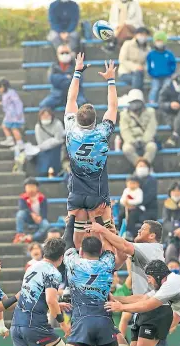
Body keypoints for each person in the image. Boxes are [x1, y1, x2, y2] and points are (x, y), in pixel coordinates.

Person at [87, 220, 174, 346]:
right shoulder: (141, 249)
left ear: (152, 236)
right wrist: (108, 233)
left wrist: (101, 229)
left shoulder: (151, 249)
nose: (138, 229)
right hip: (142, 305)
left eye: (143, 229)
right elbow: (121, 252)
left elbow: (124, 246)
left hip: (155, 308)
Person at [63, 215, 132, 346]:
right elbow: (110, 245)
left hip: (82, 322)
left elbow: (68, 241)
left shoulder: (74, 263)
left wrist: (72, 220)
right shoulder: (107, 263)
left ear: (81, 251)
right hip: (104, 321)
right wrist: (100, 223)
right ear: (100, 251)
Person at [10, 238, 83, 346]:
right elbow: (50, 299)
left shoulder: (32, 267)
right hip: (35, 325)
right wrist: (64, 324)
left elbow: (37, 294)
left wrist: (57, 304)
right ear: (61, 258)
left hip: (17, 325)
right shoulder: (53, 272)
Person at [64, 55, 117, 248]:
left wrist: (77, 72)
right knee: (108, 233)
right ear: (96, 121)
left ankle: (79, 263)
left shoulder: (71, 128)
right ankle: (107, 267)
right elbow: (113, 106)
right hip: (98, 192)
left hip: (76, 191)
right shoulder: (102, 133)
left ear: (77, 118)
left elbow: (71, 98)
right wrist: (110, 79)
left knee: (77, 237)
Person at [40, 45, 86, 111]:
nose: (64, 55)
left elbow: (79, 80)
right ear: (57, 54)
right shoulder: (53, 66)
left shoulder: (77, 65)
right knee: (43, 105)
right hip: (57, 95)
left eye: (67, 52)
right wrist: (68, 78)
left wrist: (61, 79)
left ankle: (78, 121)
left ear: (71, 53)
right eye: (62, 53)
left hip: (75, 95)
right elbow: (52, 80)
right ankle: (51, 121)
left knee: (83, 105)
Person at [120, 89, 157, 166]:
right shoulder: (124, 114)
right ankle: (139, 165)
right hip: (132, 140)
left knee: (152, 147)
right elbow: (125, 130)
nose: (135, 104)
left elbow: (151, 128)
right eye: (133, 102)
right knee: (127, 149)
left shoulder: (150, 112)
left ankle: (145, 165)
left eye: (137, 102)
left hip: (146, 140)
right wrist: (133, 141)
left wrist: (144, 140)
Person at [26, 107, 65, 176]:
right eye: (43, 116)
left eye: (47, 115)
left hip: (57, 146)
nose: (45, 117)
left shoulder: (57, 124)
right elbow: (40, 142)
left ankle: (56, 171)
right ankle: (42, 172)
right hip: (44, 147)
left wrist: (49, 143)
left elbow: (58, 139)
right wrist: (47, 144)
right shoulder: (38, 126)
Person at [13, 177, 50, 244]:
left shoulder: (42, 198)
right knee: (20, 214)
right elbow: (23, 208)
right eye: (28, 187)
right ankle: (20, 234)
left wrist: (40, 217)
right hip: (28, 218)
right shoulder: (23, 198)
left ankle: (31, 238)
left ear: (37, 188)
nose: (30, 189)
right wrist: (32, 214)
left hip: (40, 219)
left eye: (32, 187)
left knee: (46, 224)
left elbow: (44, 211)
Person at [146, 31, 176, 104]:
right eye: (157, 41)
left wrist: (171, 72)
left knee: (167, 88)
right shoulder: (151, 54)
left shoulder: (169, 54)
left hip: (167, 76)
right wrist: (151, 73)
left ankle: (165, 101)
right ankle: (151, 102)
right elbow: (148, 65)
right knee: (155, 88)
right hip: (155, 76)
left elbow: (173, 64)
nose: (159, 42)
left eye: (161, 40)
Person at [119, 175, 143, 240]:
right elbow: (122, 200)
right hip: (127, 208)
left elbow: (139, 200)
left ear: (138, 184)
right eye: (130, 183)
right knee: (121, 215)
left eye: (134, 183)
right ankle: (119, 230)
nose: (131, 185)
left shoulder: (139, 191)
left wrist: (129, 202)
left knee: (131, 217)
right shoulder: (126, 190)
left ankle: (129, 232)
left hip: (136, 208)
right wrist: (125, 202)